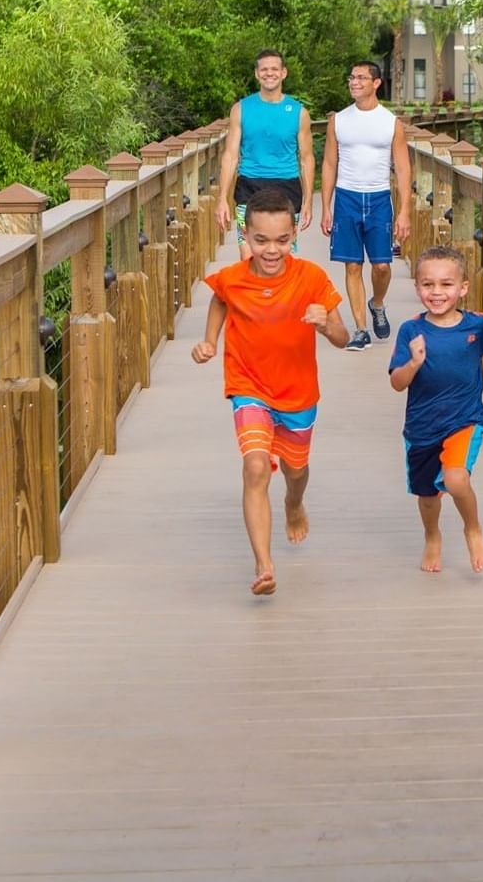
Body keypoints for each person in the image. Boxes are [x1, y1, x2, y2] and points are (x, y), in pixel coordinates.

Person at [192, 187, 351, 596]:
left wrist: (325, 324)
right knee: (256, 467)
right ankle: (263, 565)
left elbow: (342, 337)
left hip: (298, 394)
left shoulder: (312, 278)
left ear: (295, 232)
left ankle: (294, 503)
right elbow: (219, 300)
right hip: (248, 388)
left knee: (296, 471)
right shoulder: (233, 278)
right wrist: (210, 341)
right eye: (260, 240)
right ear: (245, 236)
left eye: (282, 240)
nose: (271, 250)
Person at [387, 246, 483, 574]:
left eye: (446, 284)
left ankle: (473, 528)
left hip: (465, 420)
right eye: (428, 285)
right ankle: (432, 536)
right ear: (416, 288)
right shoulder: (411, 331)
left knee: (456, 480)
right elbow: (397, 383)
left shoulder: (477, 325)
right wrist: (414, 362)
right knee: (428, 496)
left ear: (463, 288)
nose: (437, 292)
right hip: (421, 427)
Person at [321, 61, 411, 351]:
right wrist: (326, 206)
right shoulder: (339, 120)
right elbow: (330, 163)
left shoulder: (391, 123)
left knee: (382, 265)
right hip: (346, 197)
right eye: (351, 77)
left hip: (378, 199)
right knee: (352, 265)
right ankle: (361, 329)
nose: (354, 82)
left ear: (376, 83)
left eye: (361, 78)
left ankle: (378, 303)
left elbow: (403, 168)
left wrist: (405, 211)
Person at [217, 49, 315, 256]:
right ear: (256, 73)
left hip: (287, 186)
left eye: (274, 69)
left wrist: (308, 201)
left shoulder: (299, 112)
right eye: (264, 69)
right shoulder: (241, 109)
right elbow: (230, 156)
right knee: (248, 256)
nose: (269, 73)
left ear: (283, 73)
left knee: (281, 256)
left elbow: (306, 159)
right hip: (249, 185)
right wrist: (222, 198)